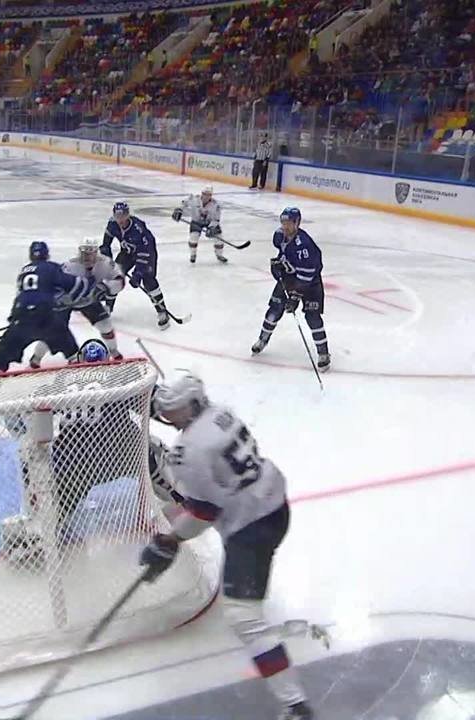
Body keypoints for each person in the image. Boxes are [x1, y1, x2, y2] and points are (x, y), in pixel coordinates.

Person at [139, 373, 315, 719]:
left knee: (244, 617)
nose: (164, 414)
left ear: (189, 406)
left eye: (170, 408)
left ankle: (296, 706)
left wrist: (170, 540)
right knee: (245, 605)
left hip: (251, 527)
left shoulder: (187, 451)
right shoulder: (223, 413)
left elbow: (205, 511)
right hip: (276, 506)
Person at [0, 339, 147, 566]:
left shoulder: (63, 380)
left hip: (74, 464)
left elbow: (20, 412)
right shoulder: (119, 378)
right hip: (119, 455)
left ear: (78, 361)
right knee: (156, 457)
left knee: (51, 511)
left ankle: (36, 535)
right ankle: (178, 500)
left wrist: (22, 434)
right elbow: (155, 406)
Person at [0, 241, 92, 373]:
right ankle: (78, 371)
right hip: (45, 318)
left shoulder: (23, 271)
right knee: (71, 349)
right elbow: (74, 285)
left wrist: (14, 321)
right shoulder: (51, 267)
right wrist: (91, 281)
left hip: (20, 319)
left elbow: (23, 296)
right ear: (47, 255)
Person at [251, 207, 329, 370]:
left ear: (297, 223)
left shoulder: (304, 245)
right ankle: (262, 339)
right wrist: (278, 267)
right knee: (274, 310)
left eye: (289, 223)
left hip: (311, 283)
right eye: (283, 222)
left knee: (312, 317)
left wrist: (295, 297)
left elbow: (307, 274)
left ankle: (323, 353)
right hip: (289, 279)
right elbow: (282, 254)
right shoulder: (279, 236)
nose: (285, 226)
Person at [28, 239, 125, 368]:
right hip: (66, 301)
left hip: (88, 300)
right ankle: (36, 358)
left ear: (96, 252)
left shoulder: (106, 263)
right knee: (53, 330)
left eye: (90, 253)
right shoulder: (69, 266)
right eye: (84, 253)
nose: (87, 256)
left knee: (105, 325)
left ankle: (114, 352)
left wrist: (106, 287)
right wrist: (57, 299)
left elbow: (120, 280)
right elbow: (55, 284)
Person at [101, 201, 173, 328]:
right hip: (128, 252)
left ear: (128, 215)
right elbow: (106, 243)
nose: (120, 220)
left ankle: (162, 311)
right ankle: (108, 308)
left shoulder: (138, 229)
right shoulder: (112, 224)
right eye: (117, 216)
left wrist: (138, 273)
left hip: (147, 253)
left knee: (148, 280)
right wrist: (107, 255)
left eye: (123, 216)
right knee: (114, 277)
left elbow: (144, 254)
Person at [172, 186, 226, 264]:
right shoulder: (194, 199)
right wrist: (178, 210)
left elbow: (216, 219)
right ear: (202, 194)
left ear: (211, 195)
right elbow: (184, 203)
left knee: (219, 239)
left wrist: (211, 228)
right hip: (196, 221)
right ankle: (193, 254)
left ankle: (219, 255)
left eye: (208, 195)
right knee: (193, 238)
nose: (206, 196)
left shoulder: (216, 205)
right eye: (205, 194)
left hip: (209, 223)